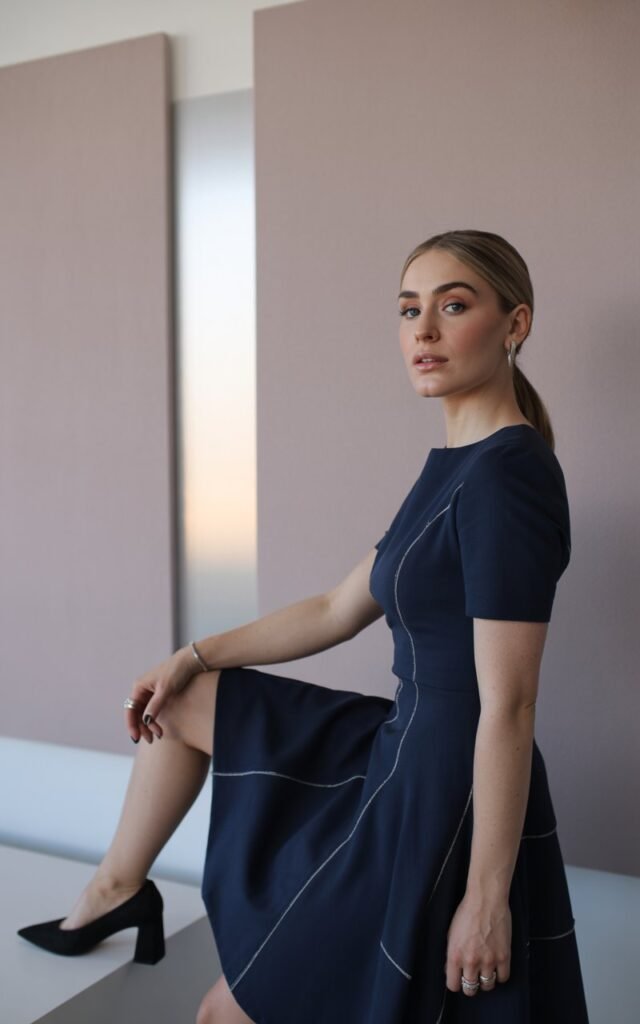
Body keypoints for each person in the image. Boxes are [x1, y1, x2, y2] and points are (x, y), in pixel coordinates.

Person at [18, 229, 590, 1023]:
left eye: (453, 306)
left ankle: (120, 892)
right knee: (186, 699)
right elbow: (334, 609)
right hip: (402, 748)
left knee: (226, 1015)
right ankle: (117, 887)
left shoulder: (508, 479)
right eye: (407, 310)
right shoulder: (456, 467)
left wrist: (487, 893)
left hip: (442, 795)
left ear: (515, 324)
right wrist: (190, 654)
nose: (422, 332)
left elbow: (510, 707)